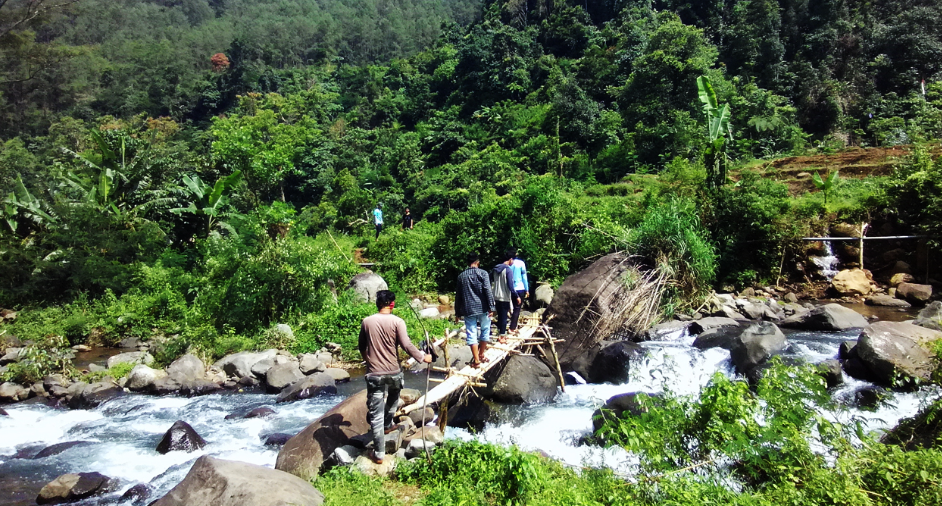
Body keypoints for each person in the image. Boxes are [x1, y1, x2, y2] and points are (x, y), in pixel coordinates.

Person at [358, 289, 432, 464]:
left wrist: (368, 361)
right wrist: (423, 357)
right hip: (393, 372)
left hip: (374, 374)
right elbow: (406, 345)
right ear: (392, 304)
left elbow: (361, 346)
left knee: (375, 415)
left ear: (377, 303)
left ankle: (379, 453)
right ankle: (388, 424)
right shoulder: (398, 321)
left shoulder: (366, 322)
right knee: (394, 394)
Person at [454, 253, 495, 368]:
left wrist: (457, 312)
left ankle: (476, 360)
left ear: (467, 263)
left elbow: (459, 296)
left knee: (471, 333)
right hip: (483, 307)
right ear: (478, 262)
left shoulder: (461, 276)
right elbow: (487, 290)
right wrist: (491, 307)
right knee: (485, 330)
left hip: (468, 308)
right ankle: (481, 354)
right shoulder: (483, 273)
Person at [491, 251, 517, 343]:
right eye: (513, 260)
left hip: (495, 296)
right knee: (503, 317)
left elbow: (489, 280)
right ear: (510, 260)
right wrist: (516, 296)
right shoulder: (508, 270)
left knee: (499, 316)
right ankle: (502, 336)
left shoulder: (495, 269)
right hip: (504, 296)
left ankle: (499, 333)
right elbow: (511, 285)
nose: (513, 262)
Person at [508, 248, 529, 334]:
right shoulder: (521, 263)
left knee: (509, 307)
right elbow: (524, 277)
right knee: (517, 308)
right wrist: (527, 289)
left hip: (509, 288)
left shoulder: (508, 264)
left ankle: (511, 325)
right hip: (519, 288)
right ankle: (512, 328)